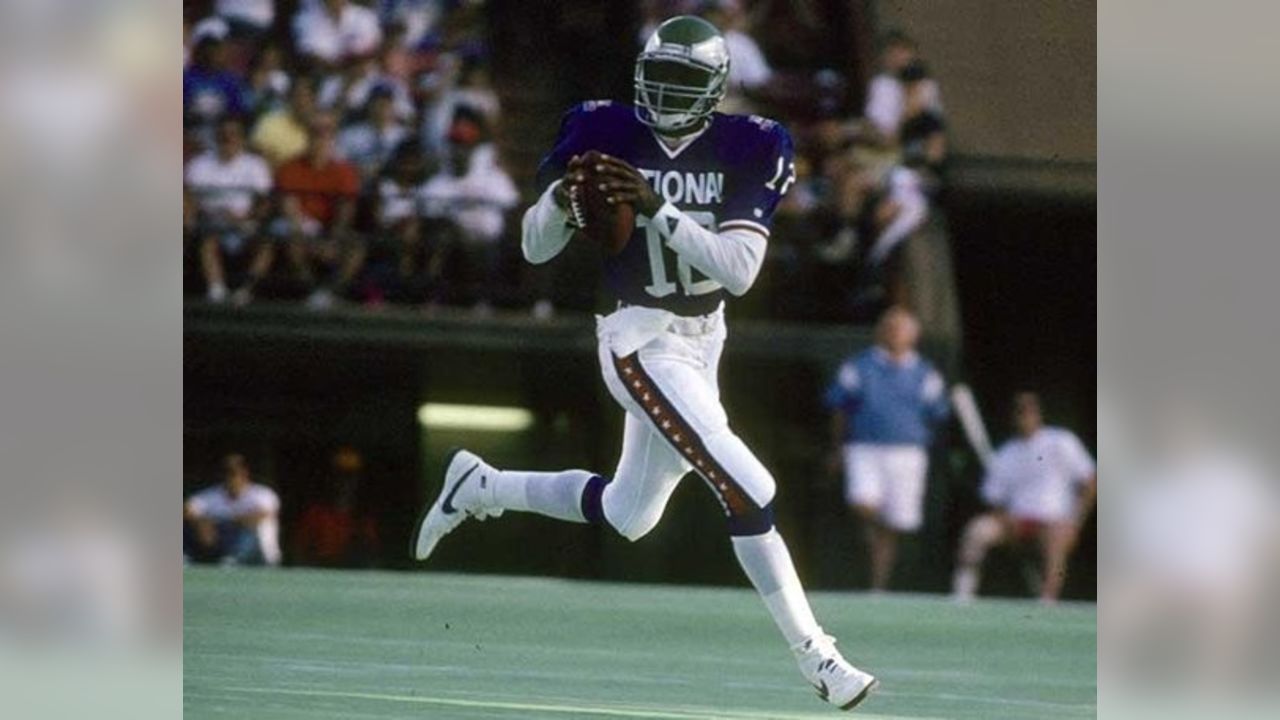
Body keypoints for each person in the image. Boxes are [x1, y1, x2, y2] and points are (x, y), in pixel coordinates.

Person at [411, 16, 878, 711]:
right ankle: (819, 657)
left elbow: (740, 271)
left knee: (631, 513)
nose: (665, 94)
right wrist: (564, 203)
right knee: (748, 484)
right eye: (656, 78)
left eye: (683, 81)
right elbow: (536, 248)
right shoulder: (602, 129)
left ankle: (482, 486)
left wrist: (655, 208)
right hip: (638, 337)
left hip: (703, 337)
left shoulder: (752, 143)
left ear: (715, 88)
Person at [825, 307, 949, 592]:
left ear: (914, 335)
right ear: (880, 331)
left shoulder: (925, 374)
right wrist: (837, 449)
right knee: (863, 504)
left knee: (898, 524)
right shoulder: (859, 366)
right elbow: (839, 409)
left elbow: (938, 413)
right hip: (864, 449)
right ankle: (877, 567)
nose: (895, 333)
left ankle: (878, 584)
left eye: (902, 328)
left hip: (907, 454)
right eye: (890, 327)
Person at [952, 392, 1097, 603]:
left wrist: (1074, 522)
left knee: (1056, 536)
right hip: (1016, 523)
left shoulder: (1061, 441)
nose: (1025, 417)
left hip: (1054, 522)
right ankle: (962, 595)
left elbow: (1091, 481)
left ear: (1038, 414)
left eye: (1029, 411)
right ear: (1013, 417)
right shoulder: (1005, 454)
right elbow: (994, 500)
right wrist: (1005, 519)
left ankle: (1048, 600)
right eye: (1020, 412)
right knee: (977, 531)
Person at [271, 114, 366, 308]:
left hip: (330, 229)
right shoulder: (290, 167)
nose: (321, 139)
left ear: (333, 138)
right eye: (316, 133)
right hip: (302, 229)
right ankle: (311, 291)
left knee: (356, 245)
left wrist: (332, 240)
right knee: (292, 243)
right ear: (308, 137)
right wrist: (310, 242)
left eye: (326, 133)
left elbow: (345, 210)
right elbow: (290, 211)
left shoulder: (344, 170)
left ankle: (331, 292)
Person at [183, 115, 274, 304]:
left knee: (267, 243)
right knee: (207, 236)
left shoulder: (255, 165)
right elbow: (188, 198)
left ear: (242, 138)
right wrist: (191, 217)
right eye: (223, 135)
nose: (228, 139)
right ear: (216, 137)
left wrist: (250, 218)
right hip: (210, 220)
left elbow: (265, 202)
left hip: (245, 222)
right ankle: (216, 289)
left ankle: (245, 290)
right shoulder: (200, 164)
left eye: (233, 135)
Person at [184, 454, 282, 566]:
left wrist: (218, 522)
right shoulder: (212, 495)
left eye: (234, 473)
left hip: (260, 558)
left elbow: (258, 518)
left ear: (245, 473)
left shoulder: (263, 494)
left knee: (248, 531)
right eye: (226, 472)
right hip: (220, 551)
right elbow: (187, 509)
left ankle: (233, 560)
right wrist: (201, 523)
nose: (229, 477)